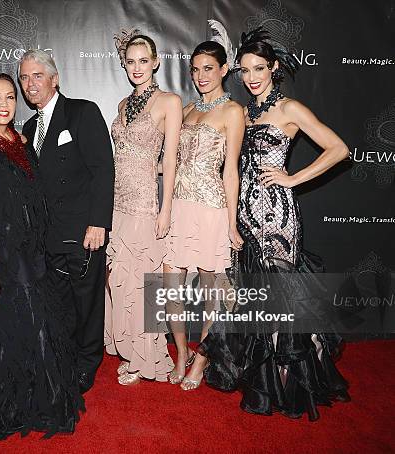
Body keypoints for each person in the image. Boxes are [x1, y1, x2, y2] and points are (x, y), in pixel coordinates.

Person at [198, 27, 350, 420]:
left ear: (274, 68)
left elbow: (339, 149)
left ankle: (290, 383)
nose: (251, 77)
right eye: (245, 69)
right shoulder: (243, 111)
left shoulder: (289, 110)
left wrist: (292, 177)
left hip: (276, 217)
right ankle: (267, 380)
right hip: (246, 218)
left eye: (259, 68)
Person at [0, 73, 84, 441]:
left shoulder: (21, 140)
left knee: (24, 313)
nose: (3, 103)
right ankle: (24, 395)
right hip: (4, 243)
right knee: (29, 309)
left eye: (9, 96)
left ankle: (26, 388)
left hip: (31, 242)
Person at [19, 50, 114, 393]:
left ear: (54, 78)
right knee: (59, 302)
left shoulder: (82, 112)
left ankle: (88, 362)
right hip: (48, 236)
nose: (30, 83)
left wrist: (98, 223)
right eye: (25, 77)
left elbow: (103, 170)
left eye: (37, 75)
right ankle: (65, 356)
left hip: (83, 230)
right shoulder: (29, 128)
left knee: (87, 300)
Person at [163, 23, 244, 390]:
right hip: (179, 206)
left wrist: (231, 224)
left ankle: (202, 359)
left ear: (224, 69)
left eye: (208, 68)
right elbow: (173, 161)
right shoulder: (190, 109)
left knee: (215, 295)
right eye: (195, 70)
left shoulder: (232, 112)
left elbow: (231, 172)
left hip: (211, 209)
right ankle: (182, 352)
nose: (200, 76)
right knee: (168, 290)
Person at [104, 32, 181, 385]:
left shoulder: (169, 102)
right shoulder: (122, 105)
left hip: (145, 204)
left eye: (143, 61)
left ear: (155, 62)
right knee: (119, 283)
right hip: (117, 203)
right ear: (125, 64)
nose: (137, 67)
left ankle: (147, 358)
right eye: (130, 61)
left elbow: (172, 161)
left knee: (143, 285)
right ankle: (131, 351)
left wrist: (165, 210)